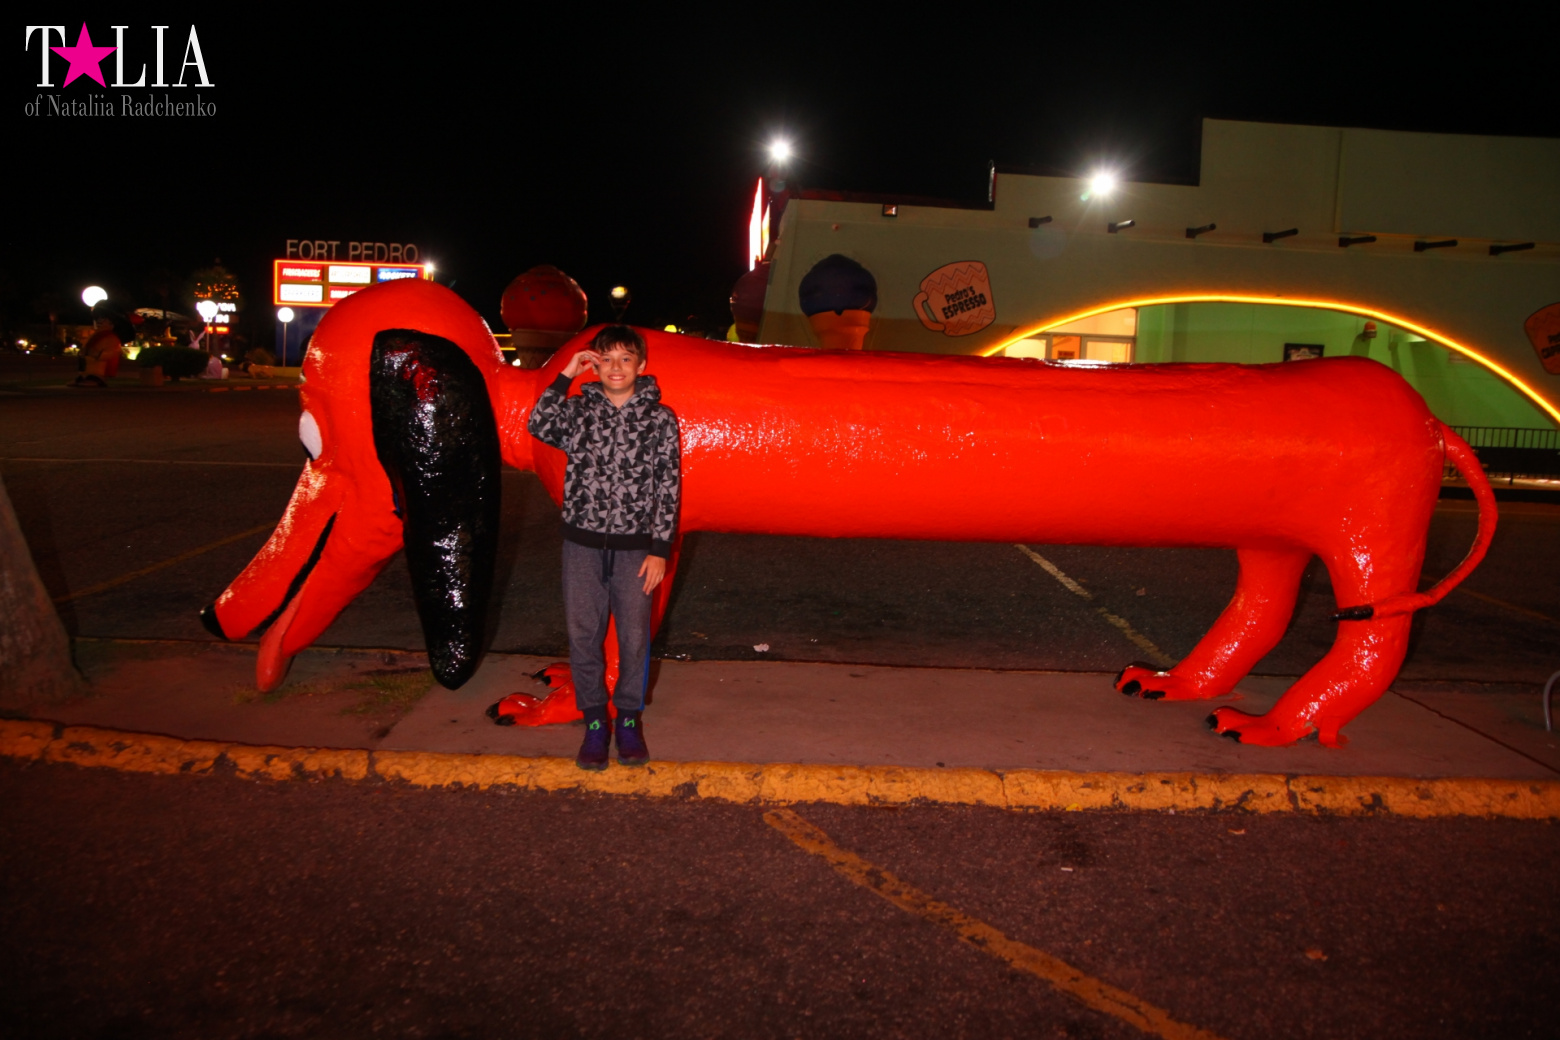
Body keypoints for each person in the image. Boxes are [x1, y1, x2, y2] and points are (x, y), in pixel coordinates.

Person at [527, 325, 681, 770]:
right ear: (596, 364)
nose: (616, 367)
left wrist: (660, 548)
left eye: (625, 359)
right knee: (583, 635)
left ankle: (629, 719)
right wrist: (566, 374)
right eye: (606, 358)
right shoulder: (579, 411)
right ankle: (596, 721)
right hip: (582, 543)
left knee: (634, 637)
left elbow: (668, 486)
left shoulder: (660, 419)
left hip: (637, 549)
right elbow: (538, 423)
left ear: (642, 366)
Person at [72, 312, 123, 388]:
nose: (99, 322)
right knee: (85, 374)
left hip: (99, 369)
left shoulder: (112, 338)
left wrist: (99, 354)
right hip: (88, 366)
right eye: (99, 319)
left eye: (104, 320)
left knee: (95, 375)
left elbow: (114, 352)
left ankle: (97, 379)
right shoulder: (94, 335)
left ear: (111, 325)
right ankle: (84, 376)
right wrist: (83, 352)